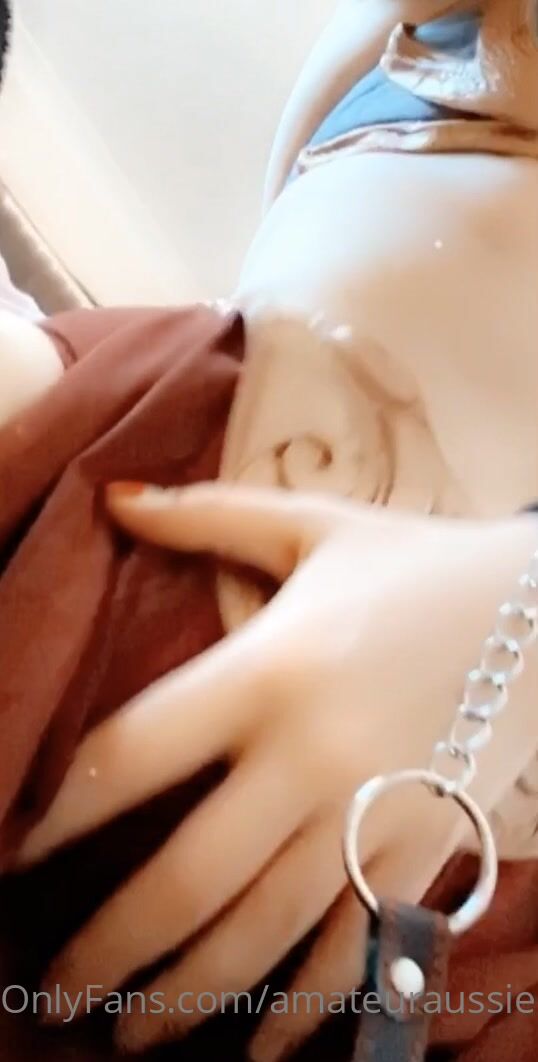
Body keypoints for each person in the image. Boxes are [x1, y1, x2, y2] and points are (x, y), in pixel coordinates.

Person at [0, 2, 537, 1061]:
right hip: (128, 550)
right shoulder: (403, 47)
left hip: (430, 920)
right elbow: (241, 341)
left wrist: (515, 607)